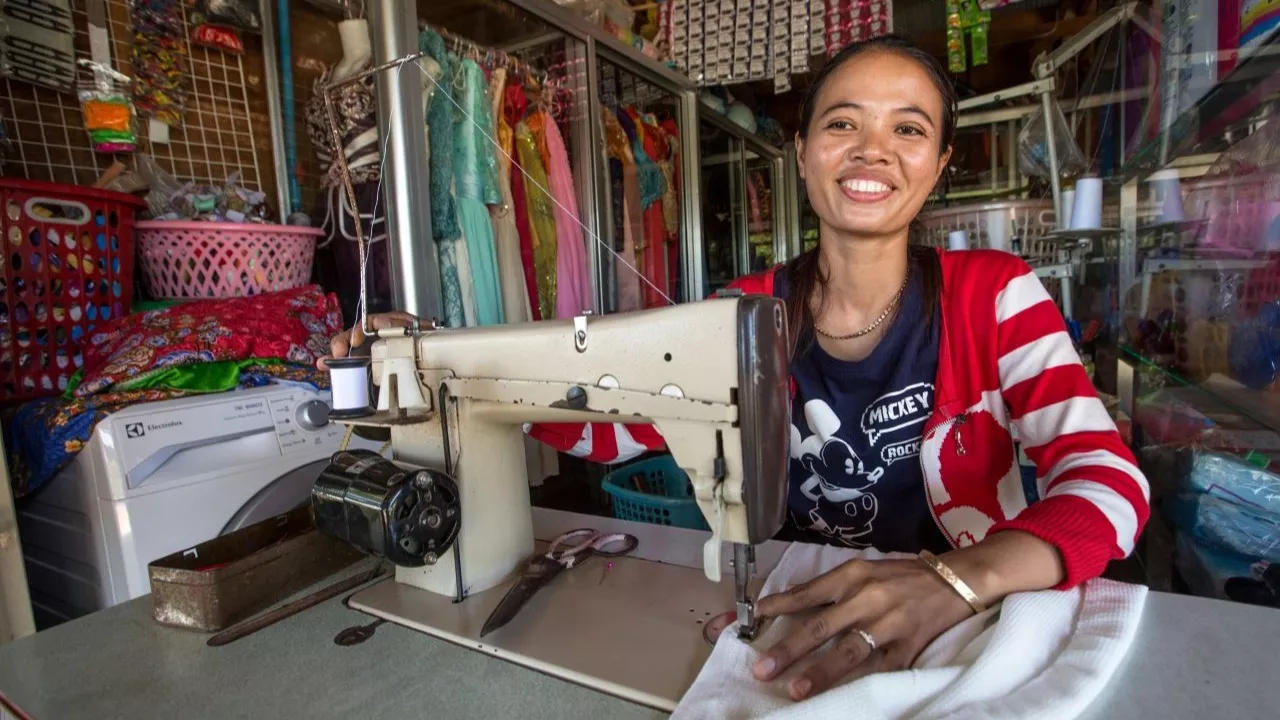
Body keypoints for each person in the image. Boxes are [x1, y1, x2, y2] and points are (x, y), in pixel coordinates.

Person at [323, 35, 1149, 704]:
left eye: (909, 128)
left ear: (938, 164)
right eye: (842, 123)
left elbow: (1109, 484)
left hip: (966, 607)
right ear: (801, 151)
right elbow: (610, 430)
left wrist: (957, 583)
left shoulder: (997, 296)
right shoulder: (743, 312)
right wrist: (441, 358)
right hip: (804, 601)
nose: (873, 149)